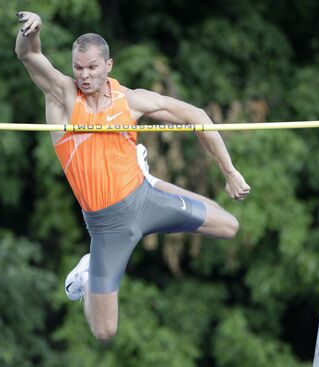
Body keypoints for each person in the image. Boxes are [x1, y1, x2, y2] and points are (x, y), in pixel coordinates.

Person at [15, 11, 251, 342]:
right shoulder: (63, 96)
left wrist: (230, 172)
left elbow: (196, 116)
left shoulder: (132, 101)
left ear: (108, 65)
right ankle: (87, 277)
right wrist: (32, 31)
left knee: (230, 226)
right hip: (108, 227)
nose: (84, 75)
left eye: (92, 67)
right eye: (78, 67)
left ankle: (150, 180)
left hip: (145, 200)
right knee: (105, 332)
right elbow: (28, 55)